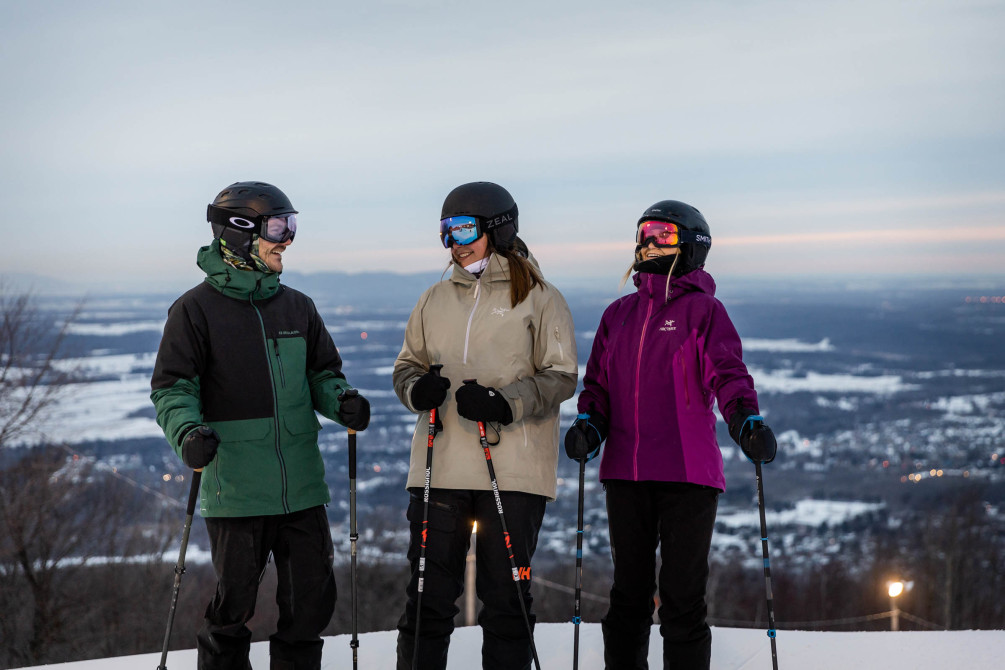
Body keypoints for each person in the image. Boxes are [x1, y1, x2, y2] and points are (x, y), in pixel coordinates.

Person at [150, 181, 371, 670]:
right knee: (232, 612)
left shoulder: (297, 307)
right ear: (239, 232)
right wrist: (188, 433)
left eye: (291, 225)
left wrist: (342, 401)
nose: (287, 238)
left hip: (302, 486)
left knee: (309, 608)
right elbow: (172, 388)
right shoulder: (195, 311)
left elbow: (322, 374)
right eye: (277, 226)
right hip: (238, 490)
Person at [564, 200, 777, 670]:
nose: (648, 243)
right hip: (627, 473)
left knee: (682, 601)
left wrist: (745, 420)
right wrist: (590, 424)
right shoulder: (618, 315)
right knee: (629, 597)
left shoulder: (703, 311)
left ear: (692, 246)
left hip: (687, 476)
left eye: (661, 233)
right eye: (643, 233)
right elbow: (596, 385)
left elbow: (728, 374)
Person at [392, 181, 578, 670]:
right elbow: (406, 365)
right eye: (446, 232)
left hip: (512, 470)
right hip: (440, 466)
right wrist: (417, 389)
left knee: (506, 599)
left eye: (465, 228)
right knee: (427, 601)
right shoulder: (434, 298)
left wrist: (503, 402)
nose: (455, 242)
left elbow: (560, 376)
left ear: (498, 228)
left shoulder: (540, 298)